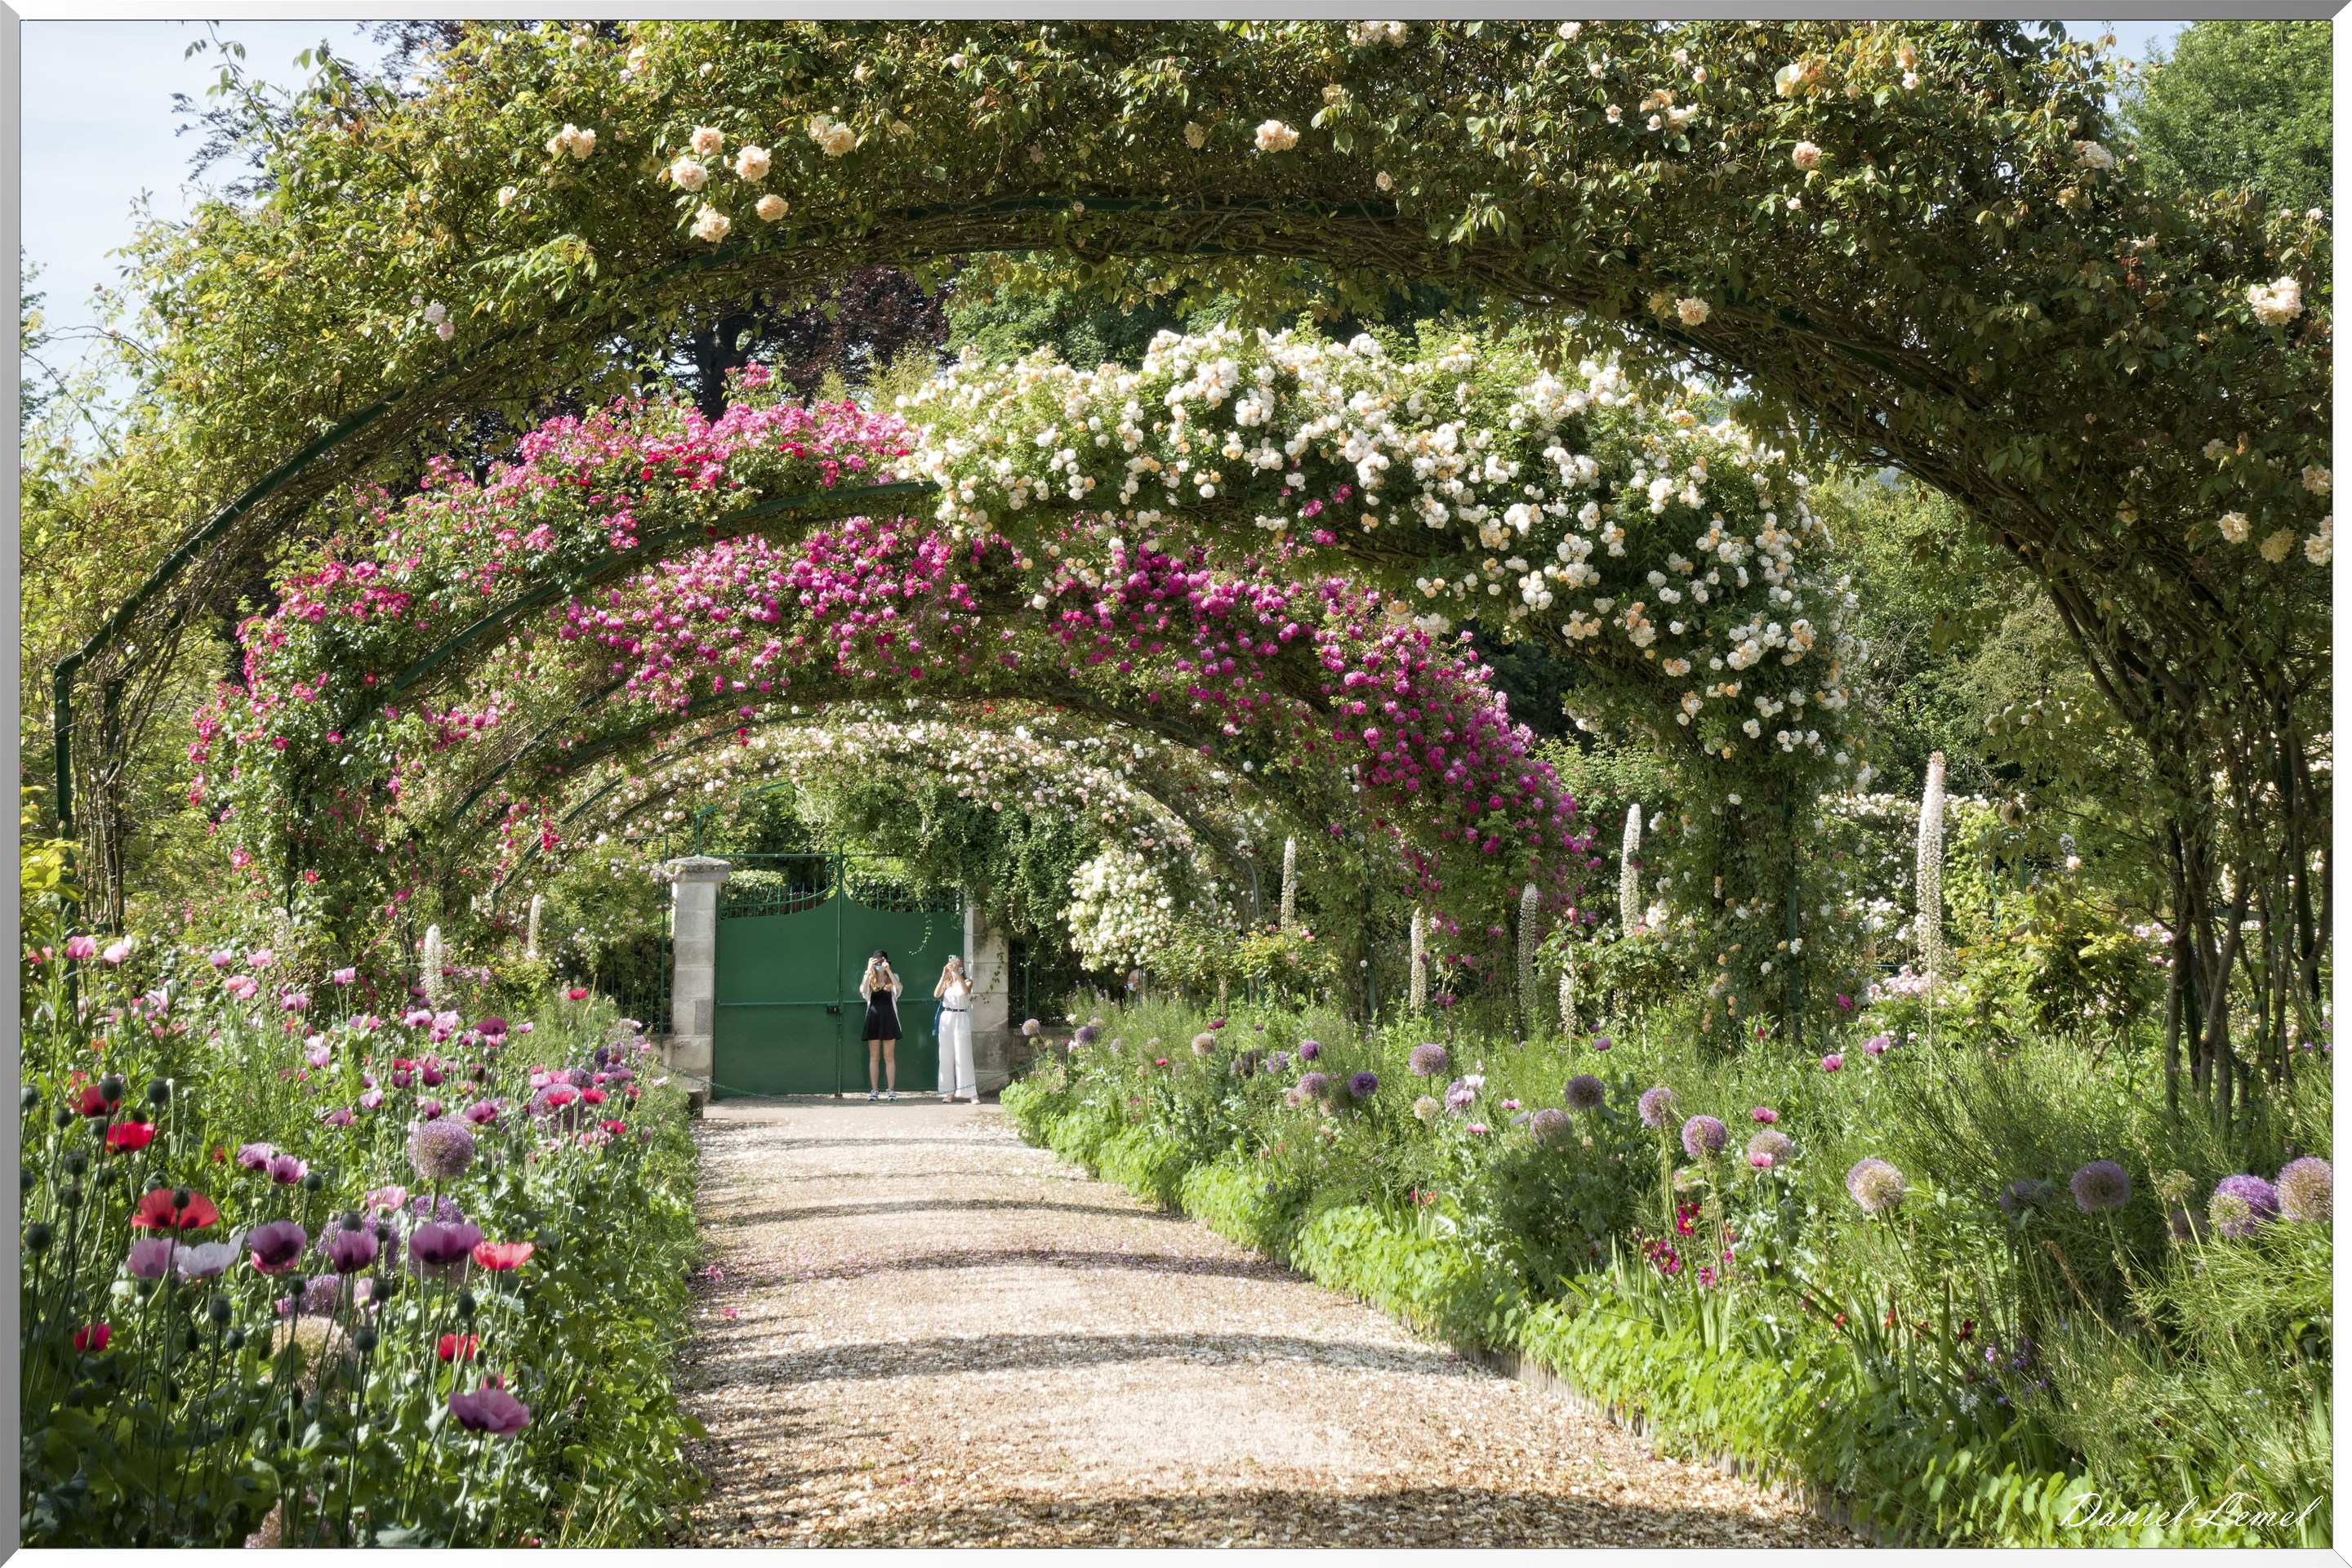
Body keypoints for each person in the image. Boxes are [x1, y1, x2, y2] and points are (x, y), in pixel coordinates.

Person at [860, 950, 903, 1101]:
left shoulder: (893, 977)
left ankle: (891, 1090)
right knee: (874, 1056)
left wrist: (888, 971)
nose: (879, 965)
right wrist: (868, 969)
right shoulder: (869, 977)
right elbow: (862, 990)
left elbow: (899, 989)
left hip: (889, 1019)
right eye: (876, 963)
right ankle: (874, 1090)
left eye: (882, 962)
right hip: (873, 1020)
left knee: (889, 1056)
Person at [934, 955, 977, 1103]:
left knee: (963, 1054)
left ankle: (970, 1092)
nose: (955, 966)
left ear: (962, 967)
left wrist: (958, 974)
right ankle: (948, 1091)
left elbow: (965, 992)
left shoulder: (967, 981)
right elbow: (936, 994)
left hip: (961, 1016)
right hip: (947, 1017)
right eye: (953, 964)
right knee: (945, 1055)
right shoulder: (947, 983)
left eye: (958, 965)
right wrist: (943, 975)